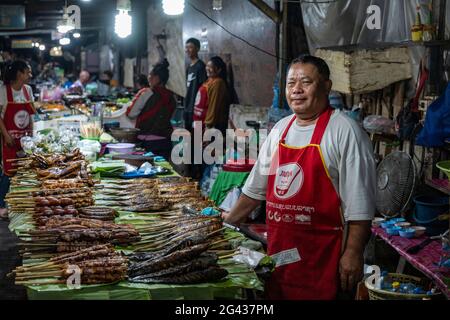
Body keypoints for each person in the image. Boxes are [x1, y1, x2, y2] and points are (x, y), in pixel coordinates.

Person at [223, 55, 376, 300]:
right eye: (290, 83)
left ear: (326, 86)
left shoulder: (345, 131)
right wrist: (225, 224)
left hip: (325, 257)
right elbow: (254, 191)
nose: (296, 89)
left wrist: (353, 253)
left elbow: (360, 206)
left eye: (306, 82)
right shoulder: (280, 130)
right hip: (282, 254)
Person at [0, 60, 36, 220]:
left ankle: (19, 205)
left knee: (24, 171)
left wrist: (33, 136)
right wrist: (6, 135)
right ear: (19, 73)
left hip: (25, 139)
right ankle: (1, 206)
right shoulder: (3, 91)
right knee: (7, 172)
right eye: (28, 72)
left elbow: (32, 115)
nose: (30, 75)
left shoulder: (28, 90)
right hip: (8, 140)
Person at [126, 59, 176, 152]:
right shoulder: (172, 96)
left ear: (158, 78)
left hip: (147, 141)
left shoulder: (146, 93)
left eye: (151, 75)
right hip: (166, 140)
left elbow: (131, 114)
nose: (149, 77)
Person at [193, 56, 230, 134]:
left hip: (211, 125)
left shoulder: (218, 83)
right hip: (199, 122)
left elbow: (214, 105)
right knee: (197, 145)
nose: (207, 69)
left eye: (211, 67)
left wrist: (208, 126)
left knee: (207, 146)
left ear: (219, 70)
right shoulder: (209, 81)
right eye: (207, 66)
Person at [184, 38, 207, 130]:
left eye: (190, 47)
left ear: (197, 49)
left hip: (196, 109)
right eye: (186, 47)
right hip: (188, 107)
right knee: (188, 138)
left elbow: (203, 89)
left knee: (196, 139)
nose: (187, 50)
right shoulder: (189, 67)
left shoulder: (200, 67)